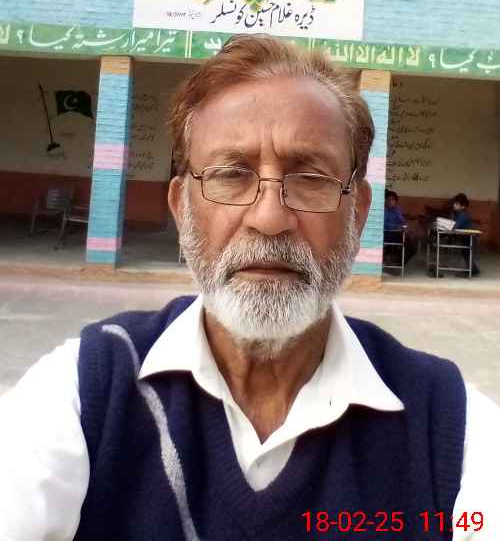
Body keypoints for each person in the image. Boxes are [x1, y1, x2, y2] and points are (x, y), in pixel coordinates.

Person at [0, 34, 499, 540]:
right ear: (182, 208)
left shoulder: (452, 430)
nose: (269, 218)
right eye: (231, 174)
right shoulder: (84, 392)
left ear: (358, 213)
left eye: (310, 178)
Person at [383, 189, 415, 267]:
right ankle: (394, 259)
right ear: (385, 200)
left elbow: (402, 221)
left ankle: (399, 261)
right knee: (406, 241)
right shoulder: (383, 210)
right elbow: (384, 224)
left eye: (392, 200)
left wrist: (405, 225)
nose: (390, 201)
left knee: (412, 243)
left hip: (396, 234)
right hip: (386, 234)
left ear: (395, 202)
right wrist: (397, 227)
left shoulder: (396, 210)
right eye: (388, 199)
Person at [452, 193, 480, 276]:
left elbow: (455, 226)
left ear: (463, 206)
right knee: (465, 253)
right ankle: (473, 269)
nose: (454, 205)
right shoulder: (459, 213)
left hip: (470, 237)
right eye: (454, 203)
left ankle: (471, 271)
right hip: (465, 236)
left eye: (456, 204)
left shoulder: (463, 214)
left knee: (467, 253)